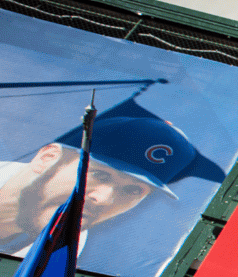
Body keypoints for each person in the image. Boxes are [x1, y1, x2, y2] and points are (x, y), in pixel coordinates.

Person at [0, 102, 198, 255]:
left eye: (133, 190)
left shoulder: (68, 248)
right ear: (47, 159)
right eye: (99, 175)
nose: (103, 198)